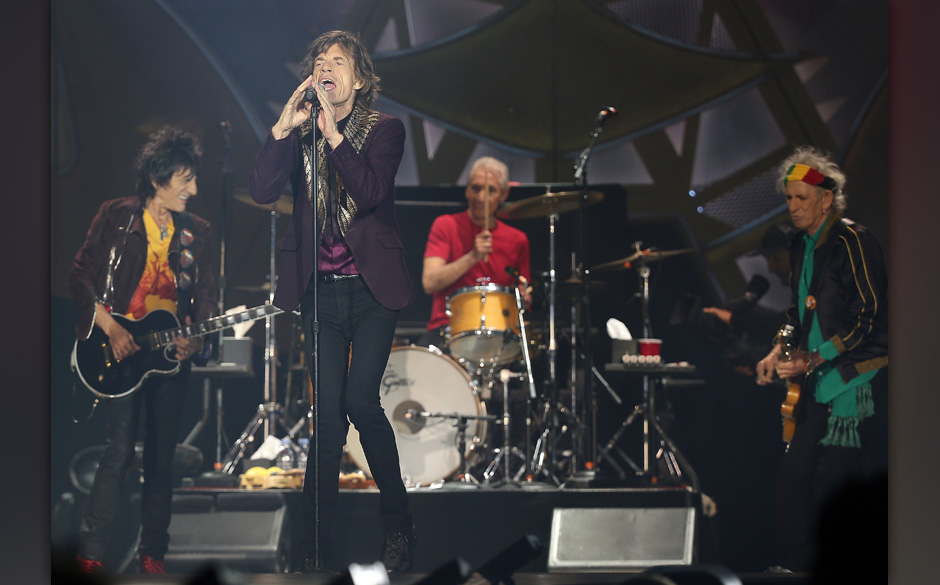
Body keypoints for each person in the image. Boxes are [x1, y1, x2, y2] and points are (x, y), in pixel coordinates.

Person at [248, 30, 416, 573]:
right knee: (326, 424)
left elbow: (369, 193)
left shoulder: (385, 130)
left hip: (372, 291)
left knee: (362, 402)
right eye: (319, 62)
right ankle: (314, 547)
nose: (326, 68)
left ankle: (399, 526)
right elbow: (261, 191)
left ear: (358, 79)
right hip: (320, 293)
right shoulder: (301, 138)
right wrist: (281, 131)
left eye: (337, 62)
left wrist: (334, 135)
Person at [70, 127, 216, 574]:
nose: (194, 190)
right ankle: (91, 554)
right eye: (185, 180)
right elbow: (79, 277)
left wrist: (197, 336)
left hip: (168, 357)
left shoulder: (197, 232)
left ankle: (153, 555)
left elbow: (207, 296)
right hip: (120, 350)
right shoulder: (116, 216)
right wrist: (110, 326)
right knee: (117, 453)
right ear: (158, 179)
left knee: (160, 457)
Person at [754, 146, 888, 572]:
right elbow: (798, 311)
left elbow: (869, 315)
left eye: (801, 199)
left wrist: (814, 358)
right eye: (789, 199)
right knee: (794, 477)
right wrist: (778, 347)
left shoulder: (854, 240)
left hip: (855, 378)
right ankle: (796, 568)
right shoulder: (800, 245)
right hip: (816, 378)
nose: (793, 207)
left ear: (826, 199)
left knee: (835, 481)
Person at [419, 156, 531, 352]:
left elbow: (522, 291)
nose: (480, 198)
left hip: (499, 333)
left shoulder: (517, 239)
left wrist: (524, 297)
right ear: (467, 189)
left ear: (504, 194)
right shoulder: (446, 225)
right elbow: (429, 283)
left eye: (490, 191)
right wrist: (472, 257)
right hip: (447, 329)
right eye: (476, 188)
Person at [700, 221, 797, 376]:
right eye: (768, 260)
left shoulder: (819, 286)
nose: (771, 268)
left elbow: (785, 327)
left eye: (777, 259)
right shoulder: (802, 291)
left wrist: (734, 318)